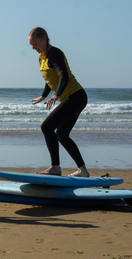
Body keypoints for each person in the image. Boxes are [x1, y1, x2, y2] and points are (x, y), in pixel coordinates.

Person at [28, 27, 90, 177]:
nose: (33, 48)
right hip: (73, 98)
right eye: (31, 45)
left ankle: (55, 168)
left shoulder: (55, 54)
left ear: (44, 39)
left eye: (35, 44)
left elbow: (64, 76)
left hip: (76, 97)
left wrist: (56, 95)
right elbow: (50, 79)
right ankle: (83, 170)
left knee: (46, 127)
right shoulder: (42, 57)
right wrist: (43, 96)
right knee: (62, 134)